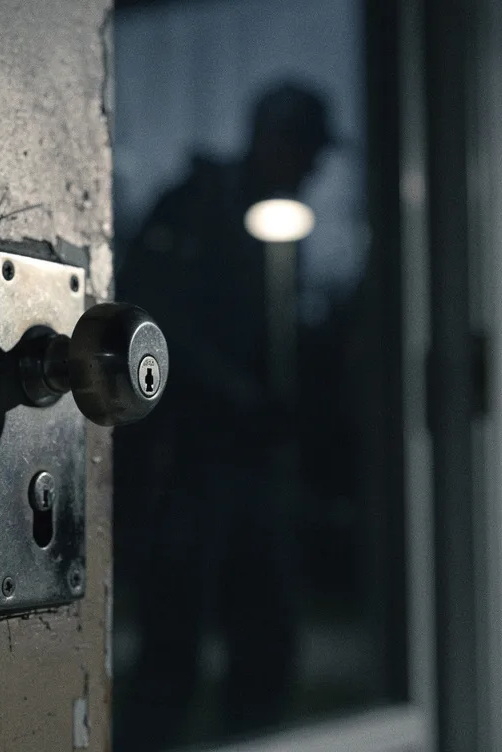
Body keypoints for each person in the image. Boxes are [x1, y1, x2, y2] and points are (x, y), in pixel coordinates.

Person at [113, 81, 334, 750]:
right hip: (191, 459)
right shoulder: (199, 207)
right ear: (273, 141)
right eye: (304, 151)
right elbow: (156, 323)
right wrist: (236, 395)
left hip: (256, 466)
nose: (312, 170)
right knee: (173, 645)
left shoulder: (279, 224)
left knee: (265, 640)